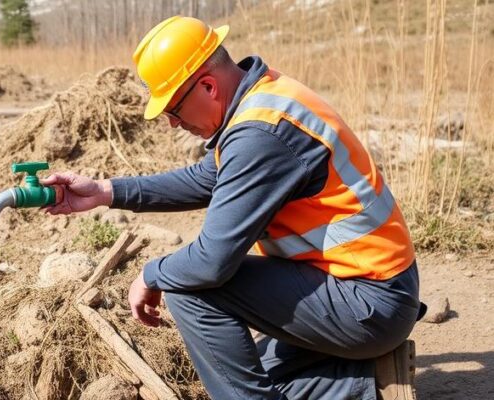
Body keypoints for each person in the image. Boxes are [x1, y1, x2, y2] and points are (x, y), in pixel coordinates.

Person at [40, 16, 423, 400]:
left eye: (173, 110)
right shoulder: (260, 101)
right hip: (357, 285)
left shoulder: (260, 134)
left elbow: (211, 262)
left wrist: (152, 273)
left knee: (190, 291)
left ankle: (362, 362)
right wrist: (105, 191)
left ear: (207, 86)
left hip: (368, 301)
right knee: (249, 374)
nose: (173, 124)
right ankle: (370, 381)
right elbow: (206, 179)